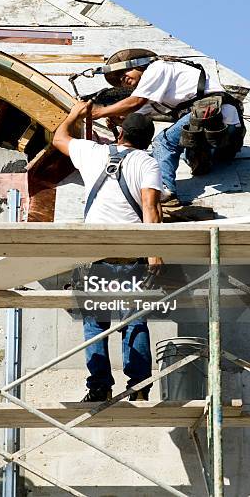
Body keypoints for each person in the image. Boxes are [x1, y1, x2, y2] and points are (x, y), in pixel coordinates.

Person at [53, 100, 163, 402]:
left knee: (94, 324)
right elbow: (150, 208)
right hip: (131, 258)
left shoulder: (93, 152)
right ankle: (139, 387)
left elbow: (59, 138)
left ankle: (99, 386)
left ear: (119, 135)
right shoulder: (147, 163)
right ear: (147, 141)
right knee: (135, 321)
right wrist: (155, 252)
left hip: (95, 258)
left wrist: (75, 114)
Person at [91, 48, 246, 206]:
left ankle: (165, 189)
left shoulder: (157, 68)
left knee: (162, 142)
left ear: (139, 64)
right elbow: (133, 115)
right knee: (188, 152)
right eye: (119, 80)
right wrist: (115, 120)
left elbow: (135, 102)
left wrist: (99, 112)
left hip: (212, 112)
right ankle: (201, 154)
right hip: (226, 125)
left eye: (124, 72)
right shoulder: (155, 94)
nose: (122, 79)